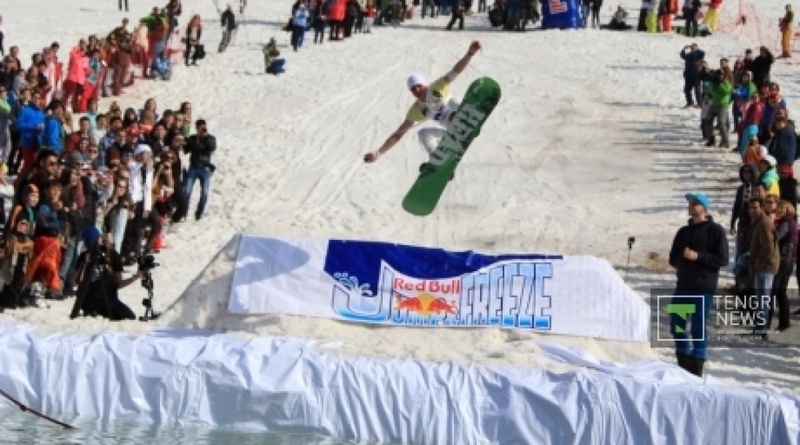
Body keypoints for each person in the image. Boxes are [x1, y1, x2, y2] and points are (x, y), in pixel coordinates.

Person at [363, 41, 481, 166]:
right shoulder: (416, 109)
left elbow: (456, 70)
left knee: (452, 101)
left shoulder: (437, 87)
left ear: (424, 84)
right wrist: (377, 154)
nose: (417, 90)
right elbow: (398, 135)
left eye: (418, 86)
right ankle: (438, 161)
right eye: (413, 89)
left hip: (461, 116)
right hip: (453, 132)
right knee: (423, 133)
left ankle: (469, 117)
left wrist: (470, 53)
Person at [668, 192, 729, 377]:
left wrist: (698, 257)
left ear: (704, 207)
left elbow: (723, 258)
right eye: (690, 203)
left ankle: (697, 367)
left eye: (695, 203)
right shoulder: (683, 231)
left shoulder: (716, 230)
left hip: (703, 287)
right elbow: (672, 258)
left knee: (697, 327)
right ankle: (683, 361)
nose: (691, 205)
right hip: (683, 286)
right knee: (676, 326)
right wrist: (682, 260)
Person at [72, 227, 140, 320]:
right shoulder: (113, 255)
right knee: (130, 317)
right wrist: (135, 277)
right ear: (99, 238)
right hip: (108, 303)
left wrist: (84, 264)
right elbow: (118, 284)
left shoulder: (83, 256)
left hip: (85, 303)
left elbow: (75, 282)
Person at [183, 119, 217, 220]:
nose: (203, 130)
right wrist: (191, 139)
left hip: (205, 168)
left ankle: (199, 213)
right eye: (200, 128)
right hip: (193, 166)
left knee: (205, 193)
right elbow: (186, 150)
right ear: (196, 128)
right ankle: (184, 212)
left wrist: (204, 137)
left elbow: (211, 148)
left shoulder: (210, 138)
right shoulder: (193, 138)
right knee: (187, 192)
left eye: (204, 127)